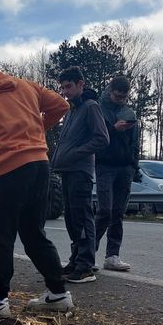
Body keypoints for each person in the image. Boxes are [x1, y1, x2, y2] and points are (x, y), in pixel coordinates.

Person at [0, 49, 73, 317]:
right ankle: (58, 293)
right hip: (39, 166)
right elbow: (61, 105)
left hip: (7, 172)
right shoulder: (27, 87)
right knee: (34, 233)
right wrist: (34, 130)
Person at [52, 66, 109, 283]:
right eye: (63, 87)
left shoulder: (90, 106)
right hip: (67, 170)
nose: (65, 91)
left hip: (80, 171)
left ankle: (86, 266)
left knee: (83, 218)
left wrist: (76, 154)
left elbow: (102, 138)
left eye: (69, 86)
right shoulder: (73, 110)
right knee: (72, 219)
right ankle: (76, 259)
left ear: (81, 84)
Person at [95, 76, 139, 271]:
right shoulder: (98, 109)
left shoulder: (129, 113)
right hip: (105, 166)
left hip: (125, 168)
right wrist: (113, 129)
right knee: (105, 211)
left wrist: (134, 166)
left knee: (118, 214)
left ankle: (112, 256)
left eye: (124, 97)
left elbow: (135, 143)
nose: (120, 99)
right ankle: (86, 253)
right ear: (110, 90)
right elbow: (95, 137)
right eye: (117, 96)